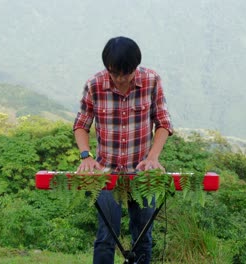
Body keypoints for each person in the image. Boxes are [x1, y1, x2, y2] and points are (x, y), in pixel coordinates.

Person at [73, 36, 173, 264]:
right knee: (107, 236)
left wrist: (153, 157)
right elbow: (81, 124)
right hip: (106, 172)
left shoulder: (151, 80)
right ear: (107, 67)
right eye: (114, 73)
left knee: (143, 237)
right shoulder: (94, 84)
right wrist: (86, 156)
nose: (119, 79)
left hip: (143, 172)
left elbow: (163, 122)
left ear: (135, 68)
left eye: (125, 74)